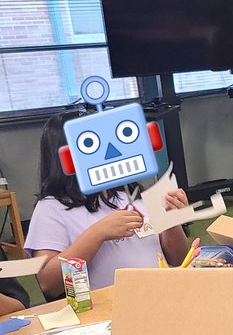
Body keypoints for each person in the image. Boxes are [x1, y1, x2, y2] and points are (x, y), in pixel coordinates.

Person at [25, 112, 192, 299]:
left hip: (159, 297)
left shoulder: (129, 195)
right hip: (106, 312)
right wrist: (98, 234)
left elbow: (178, 258)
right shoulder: (51, 207)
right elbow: (48, 283)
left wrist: (171, 220)